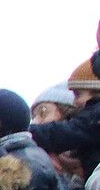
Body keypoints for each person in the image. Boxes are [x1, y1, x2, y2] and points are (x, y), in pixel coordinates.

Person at [31, 51, 100, 180]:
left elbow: (61, 133)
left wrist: (24, 133)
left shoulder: (94, 117)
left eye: (78, 95)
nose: (75, 101)